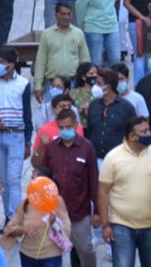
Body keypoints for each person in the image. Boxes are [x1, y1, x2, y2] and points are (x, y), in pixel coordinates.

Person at [99, 117, 151, 267]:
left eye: (149, 129)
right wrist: (105, 225)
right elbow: (103, 192)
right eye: (144, 131)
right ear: (132, 136)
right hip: (121, 224)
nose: (149, 134)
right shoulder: (113, 158)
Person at [40, 108, 99, 267]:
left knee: (85, 250)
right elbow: (45, 176)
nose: (65, 130)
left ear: (76, 125)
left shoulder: (87, 147)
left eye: (68, 126)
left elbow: (94, 180)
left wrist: (98, 212)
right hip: (55, 211)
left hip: (79, 210)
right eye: (61, 127)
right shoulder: (52, 148)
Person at [0, 47, 33, 214]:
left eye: (2, 63)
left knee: (14, 179)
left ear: (11, 65)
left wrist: (27, 141)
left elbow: (27, 114)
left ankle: (14, 217)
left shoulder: (23, 84)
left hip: (16, 135)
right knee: (3, 180)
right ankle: (7, 215)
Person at [1, 179, 73, 267]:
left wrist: (54, 223)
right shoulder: (26, 203)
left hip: (51, 255)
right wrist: (24, 229)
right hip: (27, 253)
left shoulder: (57, 201)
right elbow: (10, 228)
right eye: (32, 179)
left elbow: (67, 229)